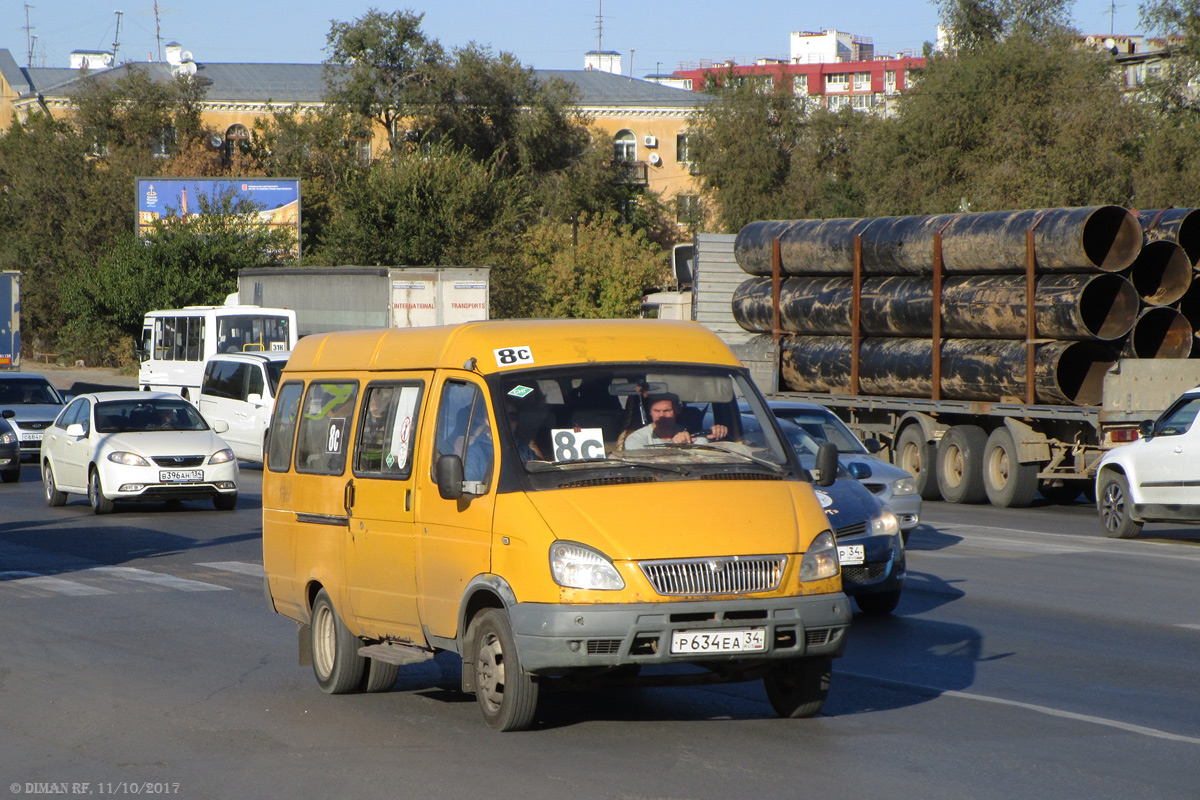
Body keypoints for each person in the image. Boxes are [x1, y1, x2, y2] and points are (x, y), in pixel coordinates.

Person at [623, 393, 727, 450]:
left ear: (678, 410)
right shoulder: (636, 439)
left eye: (667, 410)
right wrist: (675, 446)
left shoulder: (690, 435)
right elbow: (645, 464)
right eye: (656, 411)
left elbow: (704, 449)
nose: (661, 416)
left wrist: (717, 436)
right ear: (650, 412)